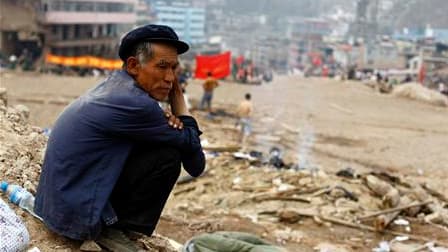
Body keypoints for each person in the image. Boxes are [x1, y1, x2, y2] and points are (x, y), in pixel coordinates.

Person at [34, 24, 205, 251]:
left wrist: (163, 123)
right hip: (75, 218)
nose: (170, 78)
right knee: (168, 156)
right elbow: (196, 164)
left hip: (56, 206)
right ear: (134, 65)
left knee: (155, 143)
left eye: (174, 69)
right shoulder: (137, 104)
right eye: (162, 67)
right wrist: (177, 97)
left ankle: (112, 223)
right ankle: (112, 231)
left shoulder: (117, 87)